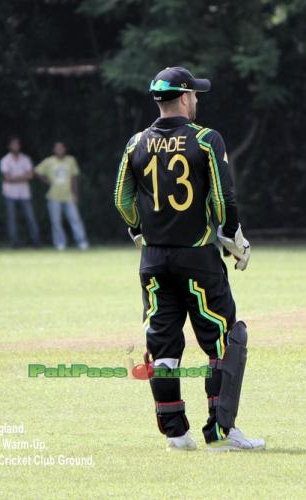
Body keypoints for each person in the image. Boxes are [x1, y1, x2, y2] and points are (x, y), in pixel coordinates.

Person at [114, 66, 265, 452]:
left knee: (162, 343)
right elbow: (221, 197)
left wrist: (138, 229)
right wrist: (232, 237)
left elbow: (122, 199)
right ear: (183, 97)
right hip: (197, 256)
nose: (196, 99)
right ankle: (221, 431)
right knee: (223, 339)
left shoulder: (136, 143)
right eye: (194, 94)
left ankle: (175, 434)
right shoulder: (206, 139)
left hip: (153, 261)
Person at [34, 142, 89, 250]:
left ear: (65, 149)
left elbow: (74, 178)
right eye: (57, 148)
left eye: (61, 148)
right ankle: (60, 243)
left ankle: (82, 242)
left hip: (69, 196)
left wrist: (76, 194)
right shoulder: (49, 161)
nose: (59, 150)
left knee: (75, 219)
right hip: (53, 196)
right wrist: (45, 180)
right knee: (56, 221)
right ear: (54, 150)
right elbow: (36, 171)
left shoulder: (71, 160)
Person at [0, 137, 40, 248]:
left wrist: (15, 178)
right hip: (9, 193)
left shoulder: (26, 159)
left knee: (30, 217)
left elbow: (31, 175)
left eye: (17, 144)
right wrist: (23, 177)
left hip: (24, 193)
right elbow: (7, 178)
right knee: (12, 219)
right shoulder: (5, 160)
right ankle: (15, 243)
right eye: (13, 144)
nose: (15, 146)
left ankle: (36, 242)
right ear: (9, 146)